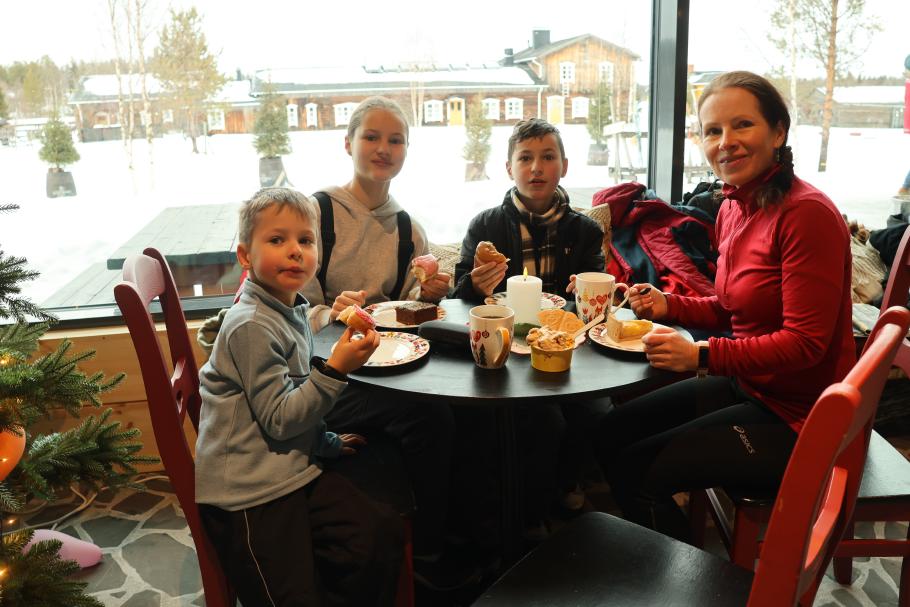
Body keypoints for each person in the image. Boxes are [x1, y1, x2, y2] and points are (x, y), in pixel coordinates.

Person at [595, 71, 856, 543]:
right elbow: (733, 307)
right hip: (749, 388)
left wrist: (701, 356)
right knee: (611, 430)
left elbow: (805, 344)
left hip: (801, 421)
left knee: (635, 469)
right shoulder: (735, 205)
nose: (726, 142)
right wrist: (669, 305)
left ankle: (689, 588)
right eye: (713, 131)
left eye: (742, 125)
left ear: (778, 132)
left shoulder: (806, 215)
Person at [195, 187, 403, 606]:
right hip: (249, 493)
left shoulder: (291, 309)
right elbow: (280, 418)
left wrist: (326, 443)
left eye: (305, 241)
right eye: (277, 240)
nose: (294, 251)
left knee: (375, 531)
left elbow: (295, 390)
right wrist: (336, 369)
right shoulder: (251, 324)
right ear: (245, 256)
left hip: (289, 465)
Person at [300, 96, 476, 591]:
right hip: (319, 377)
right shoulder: (317, 214)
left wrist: (430, 293)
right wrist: (330, 311)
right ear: (348, 143)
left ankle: (465, 531)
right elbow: (291, 309)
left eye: (395, 140)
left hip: (381, 366)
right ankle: (428, 554)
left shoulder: (406, 229)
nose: (383, 148)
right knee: (430, 416)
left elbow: (405, 311)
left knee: (465, 405)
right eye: (371, 137)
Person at [451, 118, 608, 539]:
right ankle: (529, 512)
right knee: (541, 421)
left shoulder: (585, 231)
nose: (536, 167)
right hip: (507, 353)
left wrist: (583, 294)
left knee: (596, 411)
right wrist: (474, 285)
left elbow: (593, 302)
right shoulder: (486, 226)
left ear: (564, 166)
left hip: (566, 348)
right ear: (509, 169)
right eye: (525, 158)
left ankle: (566, 483)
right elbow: (458, 293)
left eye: (547, 157)